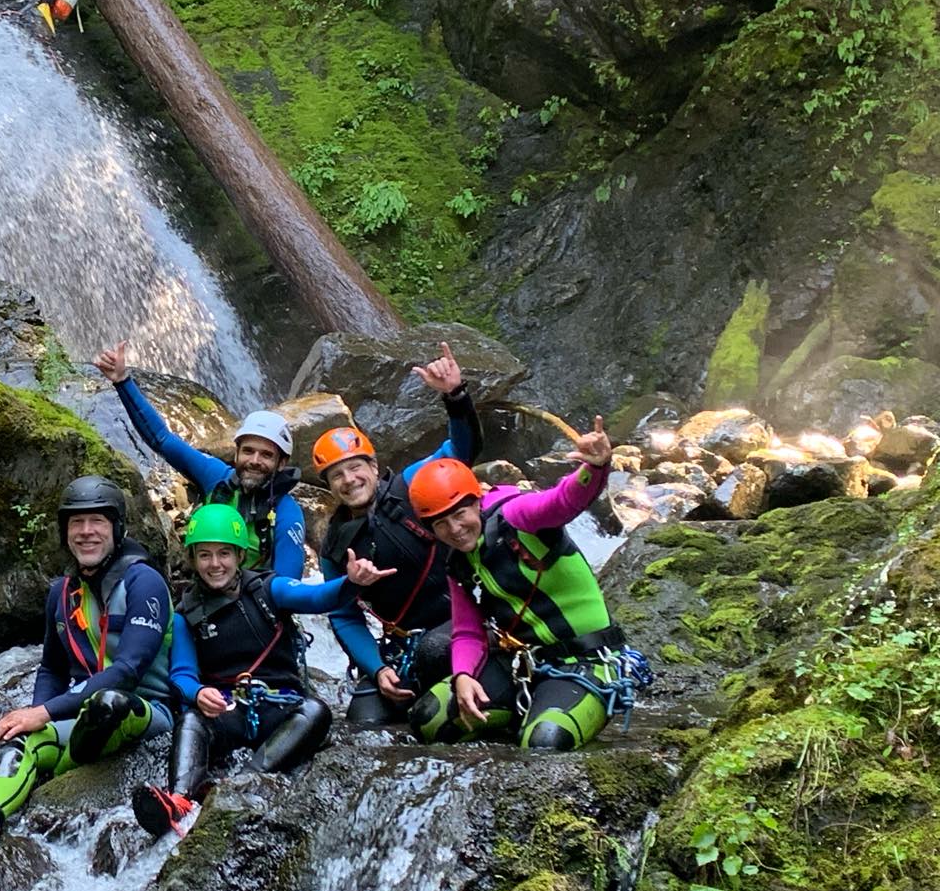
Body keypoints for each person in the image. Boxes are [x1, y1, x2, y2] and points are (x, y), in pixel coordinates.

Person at [0, 476, 173, 847]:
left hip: (144, 711)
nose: (86, 531)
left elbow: (128, 670)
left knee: (107, 703)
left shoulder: (145, 583)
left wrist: (45, 712)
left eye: (97, 521)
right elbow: (52, 668)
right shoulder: (61, 593)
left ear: (116, 528)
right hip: (84, 716)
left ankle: (53, 762)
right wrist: (35, 715)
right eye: (76, 523)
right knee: (20, 735)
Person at [406, 416, 649, 751]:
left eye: (460, 514)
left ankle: (544, 711)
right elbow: (467, 631)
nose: (455, 529)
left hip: (588, 660)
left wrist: (595, 468)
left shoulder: (517, 516)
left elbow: (563, 501)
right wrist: (463, 676)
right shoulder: (458, 563)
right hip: (522, 663)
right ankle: (520, 709)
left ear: (477, 501)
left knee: (544, 742)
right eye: (441, 524)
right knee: (428, 719)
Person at [132, 504, 341, 838]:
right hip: (228, 710)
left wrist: (352, 581)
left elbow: (317, 598)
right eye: (205, 555)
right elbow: (182, 675)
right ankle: (179, 800)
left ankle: (244, 781)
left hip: (279, 707)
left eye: (224, 553)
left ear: (240, 556)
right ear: (193, 559)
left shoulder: (268, 589)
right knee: (192, 719)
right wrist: (199, 693)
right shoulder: (186, 613)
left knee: (316, 711)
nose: (215, 564)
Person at [314, 342, 483, 726]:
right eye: (337, 475)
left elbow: (462, 452)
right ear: (328, 486)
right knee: (364, 719)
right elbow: (344, 615)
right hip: (405, 642)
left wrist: (455, 397)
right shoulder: (335, 544)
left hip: (464, 620)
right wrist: (376, 669)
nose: (349, 479)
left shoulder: (412, 484)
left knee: (434, 652)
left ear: (374, 467)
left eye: (355, 467)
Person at [93, 339, 307, 579]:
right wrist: (123, 381)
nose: (255, 460)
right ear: (236, 453)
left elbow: (288, 584)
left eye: (266, 455)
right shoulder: (216, 478)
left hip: (254, 598)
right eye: (248, 451)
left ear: (281, 463)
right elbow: (161, 439)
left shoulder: (287, 513)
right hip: (205, 588)